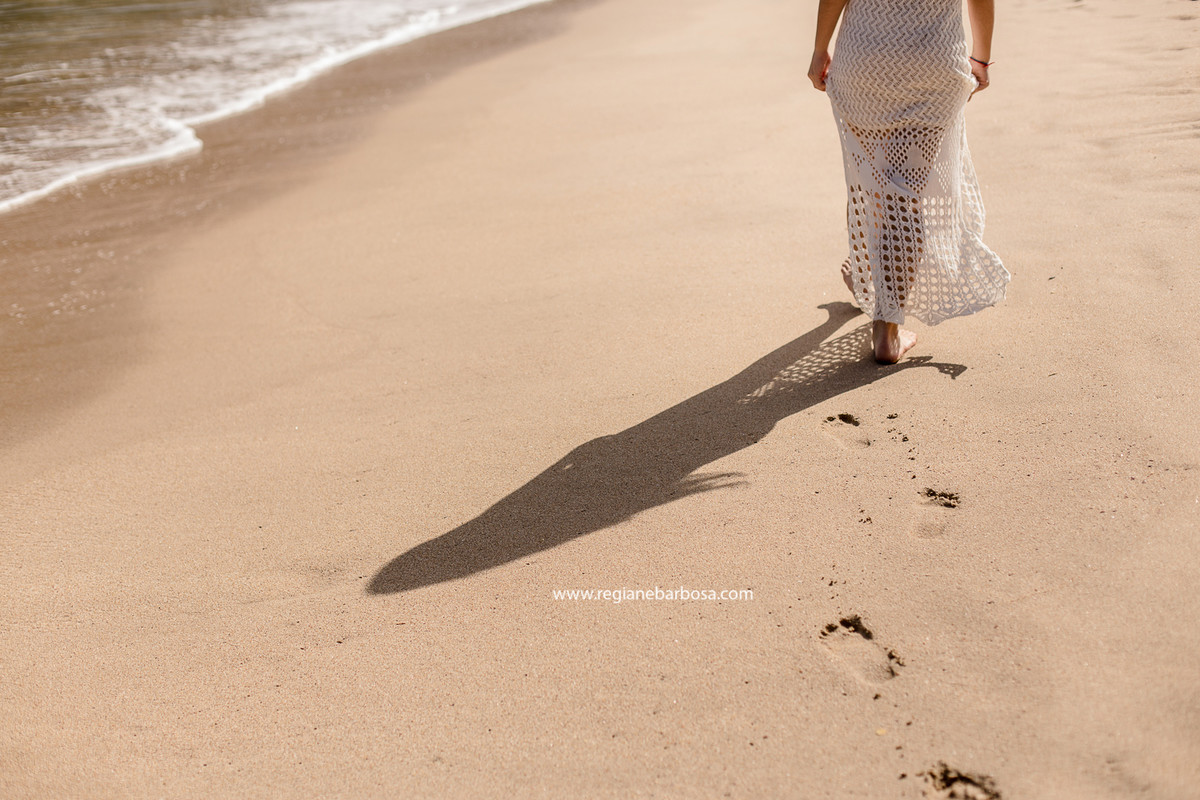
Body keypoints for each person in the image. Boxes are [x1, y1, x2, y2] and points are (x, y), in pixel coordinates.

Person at [808, 0, 1010, 363]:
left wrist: (820, 49)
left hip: (865, 59)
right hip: (932, 64)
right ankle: (885, 323)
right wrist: (981, 59)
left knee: (878, 182)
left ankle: (877, 291)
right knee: (907, 194)